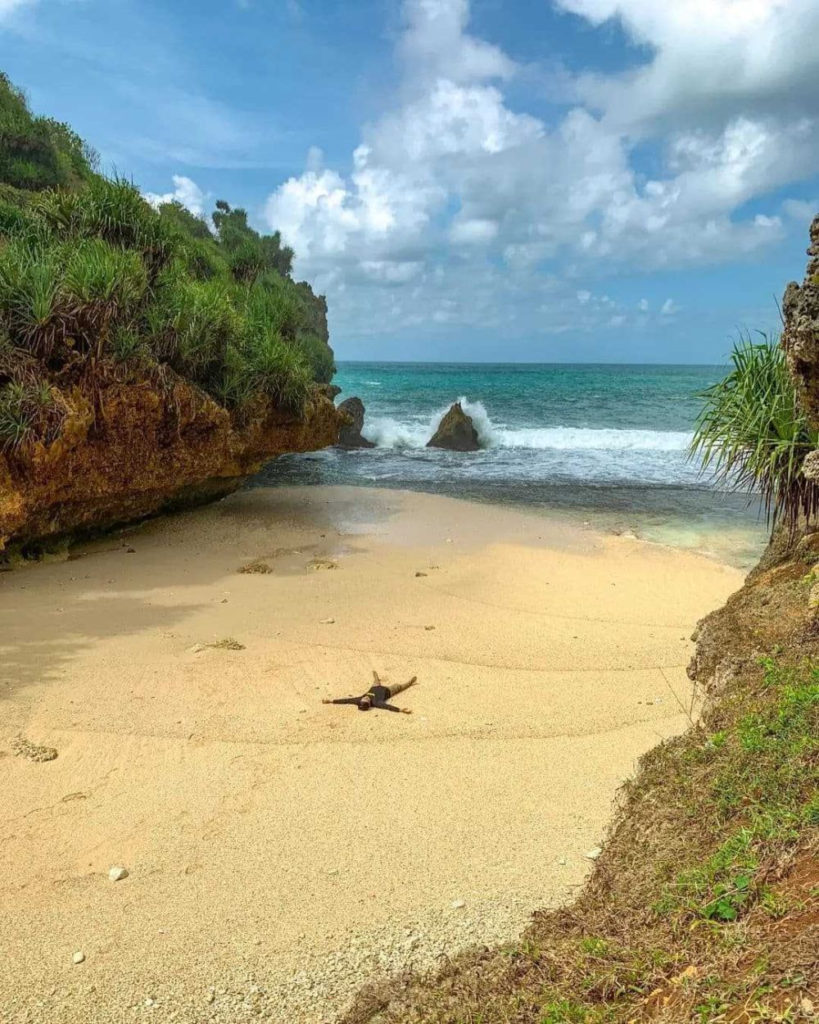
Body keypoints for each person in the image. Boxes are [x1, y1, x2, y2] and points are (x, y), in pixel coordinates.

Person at [322, 672, 417, 713]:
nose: (366, 698)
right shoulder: (376, 703)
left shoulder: (358, 700)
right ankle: (410, 682)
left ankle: (375, 675)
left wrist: (331, 701)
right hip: (388, 690)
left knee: (376, 680)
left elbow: (346, 700)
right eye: (367, 700)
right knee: (400, 686)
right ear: (369, 704)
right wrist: (400, 710)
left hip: (374, 687)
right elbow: (387, 707)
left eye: (364, 699)